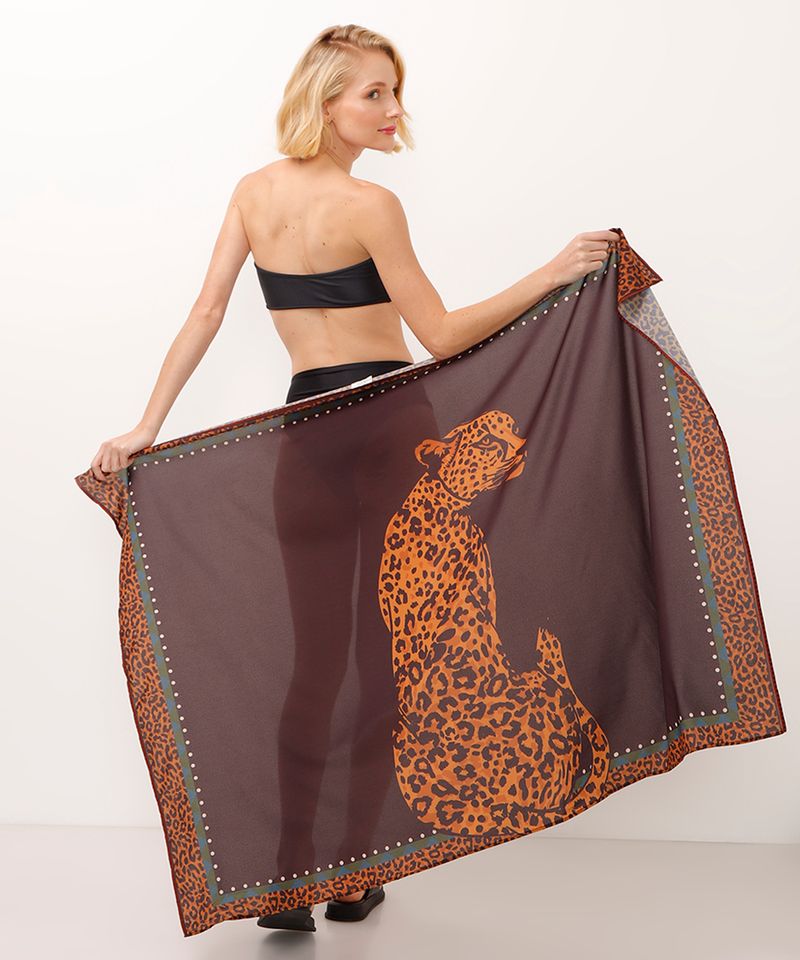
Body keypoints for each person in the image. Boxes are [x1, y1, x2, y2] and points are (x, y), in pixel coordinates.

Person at [88, 22, 620, 934]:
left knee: (314, 663)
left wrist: (147, 425)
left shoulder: (254, 194)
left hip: (308, 435)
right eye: (375, 92)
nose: (393, 110)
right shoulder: (371, 205)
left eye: (395, 92)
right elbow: (441, 336)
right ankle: (352, 876)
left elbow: (207, 311)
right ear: (325, 98)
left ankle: (288, 883)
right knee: (383, 665)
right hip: (389, 433)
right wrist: (554, 272)